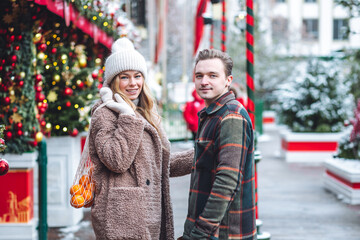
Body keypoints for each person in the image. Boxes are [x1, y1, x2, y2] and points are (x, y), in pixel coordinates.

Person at [88, 37, 194, 240]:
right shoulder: (104, 114)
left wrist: (199, 155)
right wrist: (126, 117)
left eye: (137, 76)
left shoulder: (145, 112)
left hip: (148, 212)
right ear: (113, 80)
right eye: (124, 77)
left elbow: (156, 163)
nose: (133, 83)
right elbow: (116, 160)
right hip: (121, 217)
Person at [181, 49, 256, 240]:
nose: (204, 81)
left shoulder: (231, 116)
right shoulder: (212, 114)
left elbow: (227, 181)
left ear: (228, 80)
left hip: (223, 233)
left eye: (212, 75)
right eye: (199, 75)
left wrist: (200, 232)